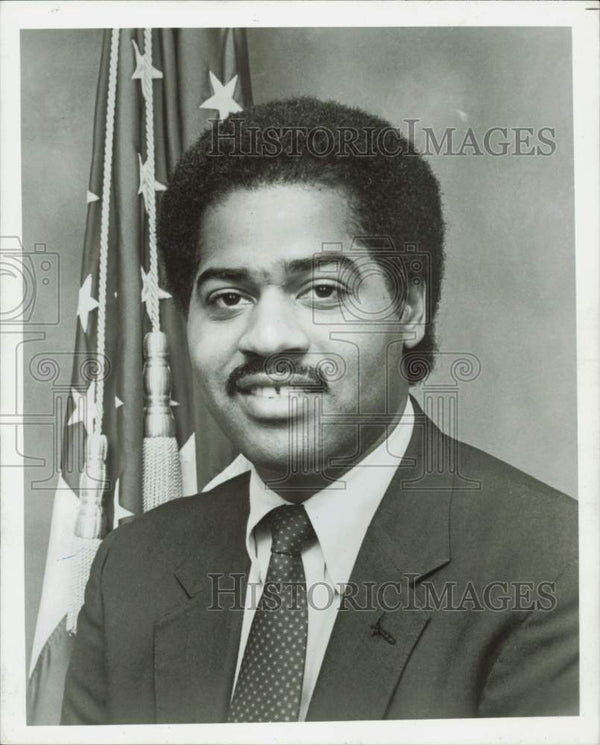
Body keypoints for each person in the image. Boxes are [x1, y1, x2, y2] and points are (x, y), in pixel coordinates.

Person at [61, 97, 578, 724]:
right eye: (227, 297)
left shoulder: (556, 565)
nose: (268, 337)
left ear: (409, 307)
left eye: (323, 291)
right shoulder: (133, 570)